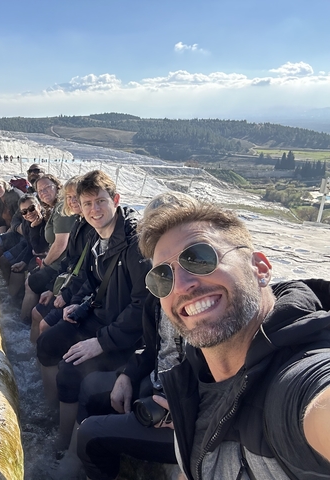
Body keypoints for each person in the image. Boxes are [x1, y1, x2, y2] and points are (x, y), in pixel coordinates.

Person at [137, 195, 330, 479]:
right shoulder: (194, 375)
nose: (181, 286)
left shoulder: (297, 381)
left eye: (200, 258)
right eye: (163, 277)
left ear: (260, 269)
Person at [73, 192, 199, 480]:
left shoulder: (206, 298)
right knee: (91, 387)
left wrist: (190, 411)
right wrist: (128, 374)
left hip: (186, 420)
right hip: (157, 384)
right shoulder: (159, 284)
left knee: (91, 434)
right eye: (155, 237)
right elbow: (155, 346)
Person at [36, 170, 149, 452]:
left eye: (100, 201)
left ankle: (66, 445)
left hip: (125, 335)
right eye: (87, 204)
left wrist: (101, 342)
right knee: (47, 343)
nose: (94, 210)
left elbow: (143, 305)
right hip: (98, 315)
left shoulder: (136, 244)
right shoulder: (96, 235)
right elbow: (92, 278)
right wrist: (80, 302)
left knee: (70, 370)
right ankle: (54, 411)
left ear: (115, 199)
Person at [30, 176, 93, 343]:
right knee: (36, 313)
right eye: (69, 197)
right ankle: (29, 358)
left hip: (82, 296)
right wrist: (52, 289)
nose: (72, 201)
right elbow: (71, 261)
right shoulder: (79, 223)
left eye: (76, 196)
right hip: (70, 284)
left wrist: (66, 295)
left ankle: (36, 357)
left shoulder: (92, 228)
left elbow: (88, 271)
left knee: (44, 325)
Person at [21, 174, 75, 322]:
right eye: (40, 190)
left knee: (31, 282)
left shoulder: (61, 210)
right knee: (30, 277)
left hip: (61, 265)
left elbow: (60, 244)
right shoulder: (56, 208)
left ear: (58, 187)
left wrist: (45, 264)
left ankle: (23, 323)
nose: (43, 192)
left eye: (47, 187)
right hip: (58, 261)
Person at [0, 176, 22, 249]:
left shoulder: (15, 195)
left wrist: (6, 234)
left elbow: (18, 217)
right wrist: (2, 233)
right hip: (7, 227)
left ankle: (1, 259)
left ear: (4, 184)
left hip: (18, 227)